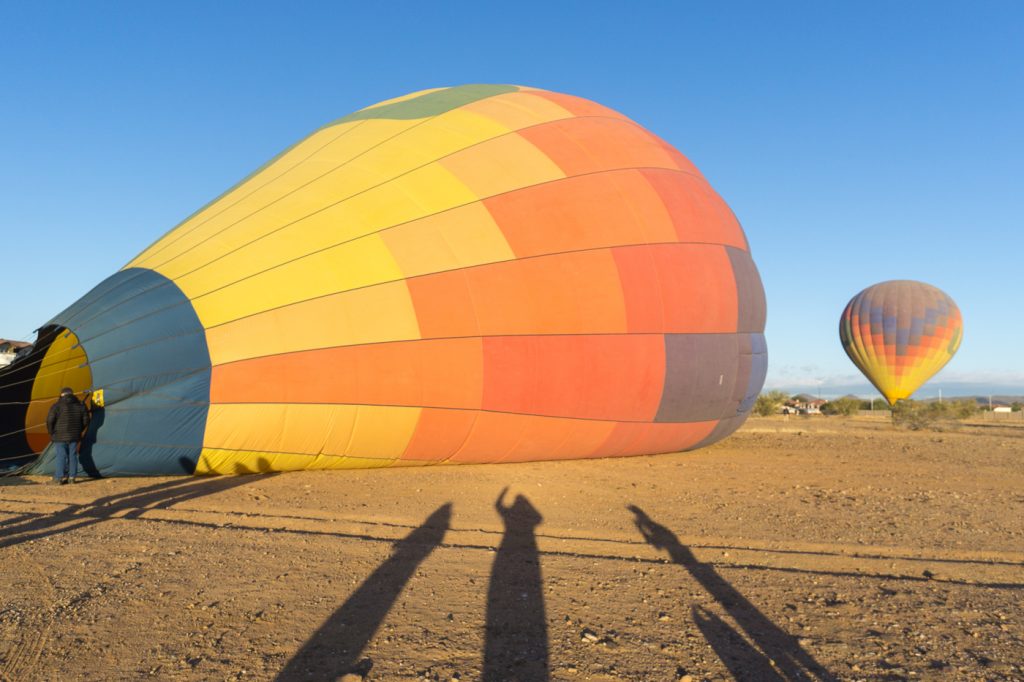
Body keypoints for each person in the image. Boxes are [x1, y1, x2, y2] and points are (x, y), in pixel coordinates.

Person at [46, 387, 90, 485]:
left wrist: (51, 432)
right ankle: (72, 478)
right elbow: (86, 420)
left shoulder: (56, 405)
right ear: (72, 394)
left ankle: (59, 478)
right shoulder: (81, 405)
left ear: (62, 394)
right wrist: (79, 430)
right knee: (73, 455)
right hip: (75, 435)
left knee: (61, 456)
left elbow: (50, 420)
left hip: (59, 435)